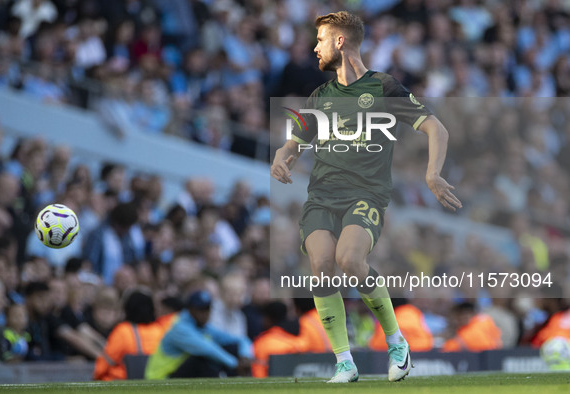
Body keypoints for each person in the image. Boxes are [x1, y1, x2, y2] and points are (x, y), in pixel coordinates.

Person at [271, 11, 462, 383]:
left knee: (349, 259)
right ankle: (344, 362)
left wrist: (432, 173)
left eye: (321, 39)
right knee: (322, 267)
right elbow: (294, 142)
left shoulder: (384, 88)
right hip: (321, 197)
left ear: (340, 42)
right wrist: (282, 155)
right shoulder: (320, 96)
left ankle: (397, 343)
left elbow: (436, 128)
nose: (315, 47)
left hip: (366, 195)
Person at [144, 290, 253, 379]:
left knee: (231, 347)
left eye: (207, 309)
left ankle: (238, 383)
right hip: (161, 378)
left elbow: (240, 340)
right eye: (201, 310)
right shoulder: (179, 327)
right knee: (202, 359)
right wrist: (235, 364)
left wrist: (245, 356)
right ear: (190, 309)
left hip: (179, 373)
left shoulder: (203, 326)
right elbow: (207, 349)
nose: (205, 314)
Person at [93, 289, 164, 381]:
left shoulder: (123, 331)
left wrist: (96, 376)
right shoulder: (159, 330)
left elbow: (104, 363)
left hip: (123, 383)